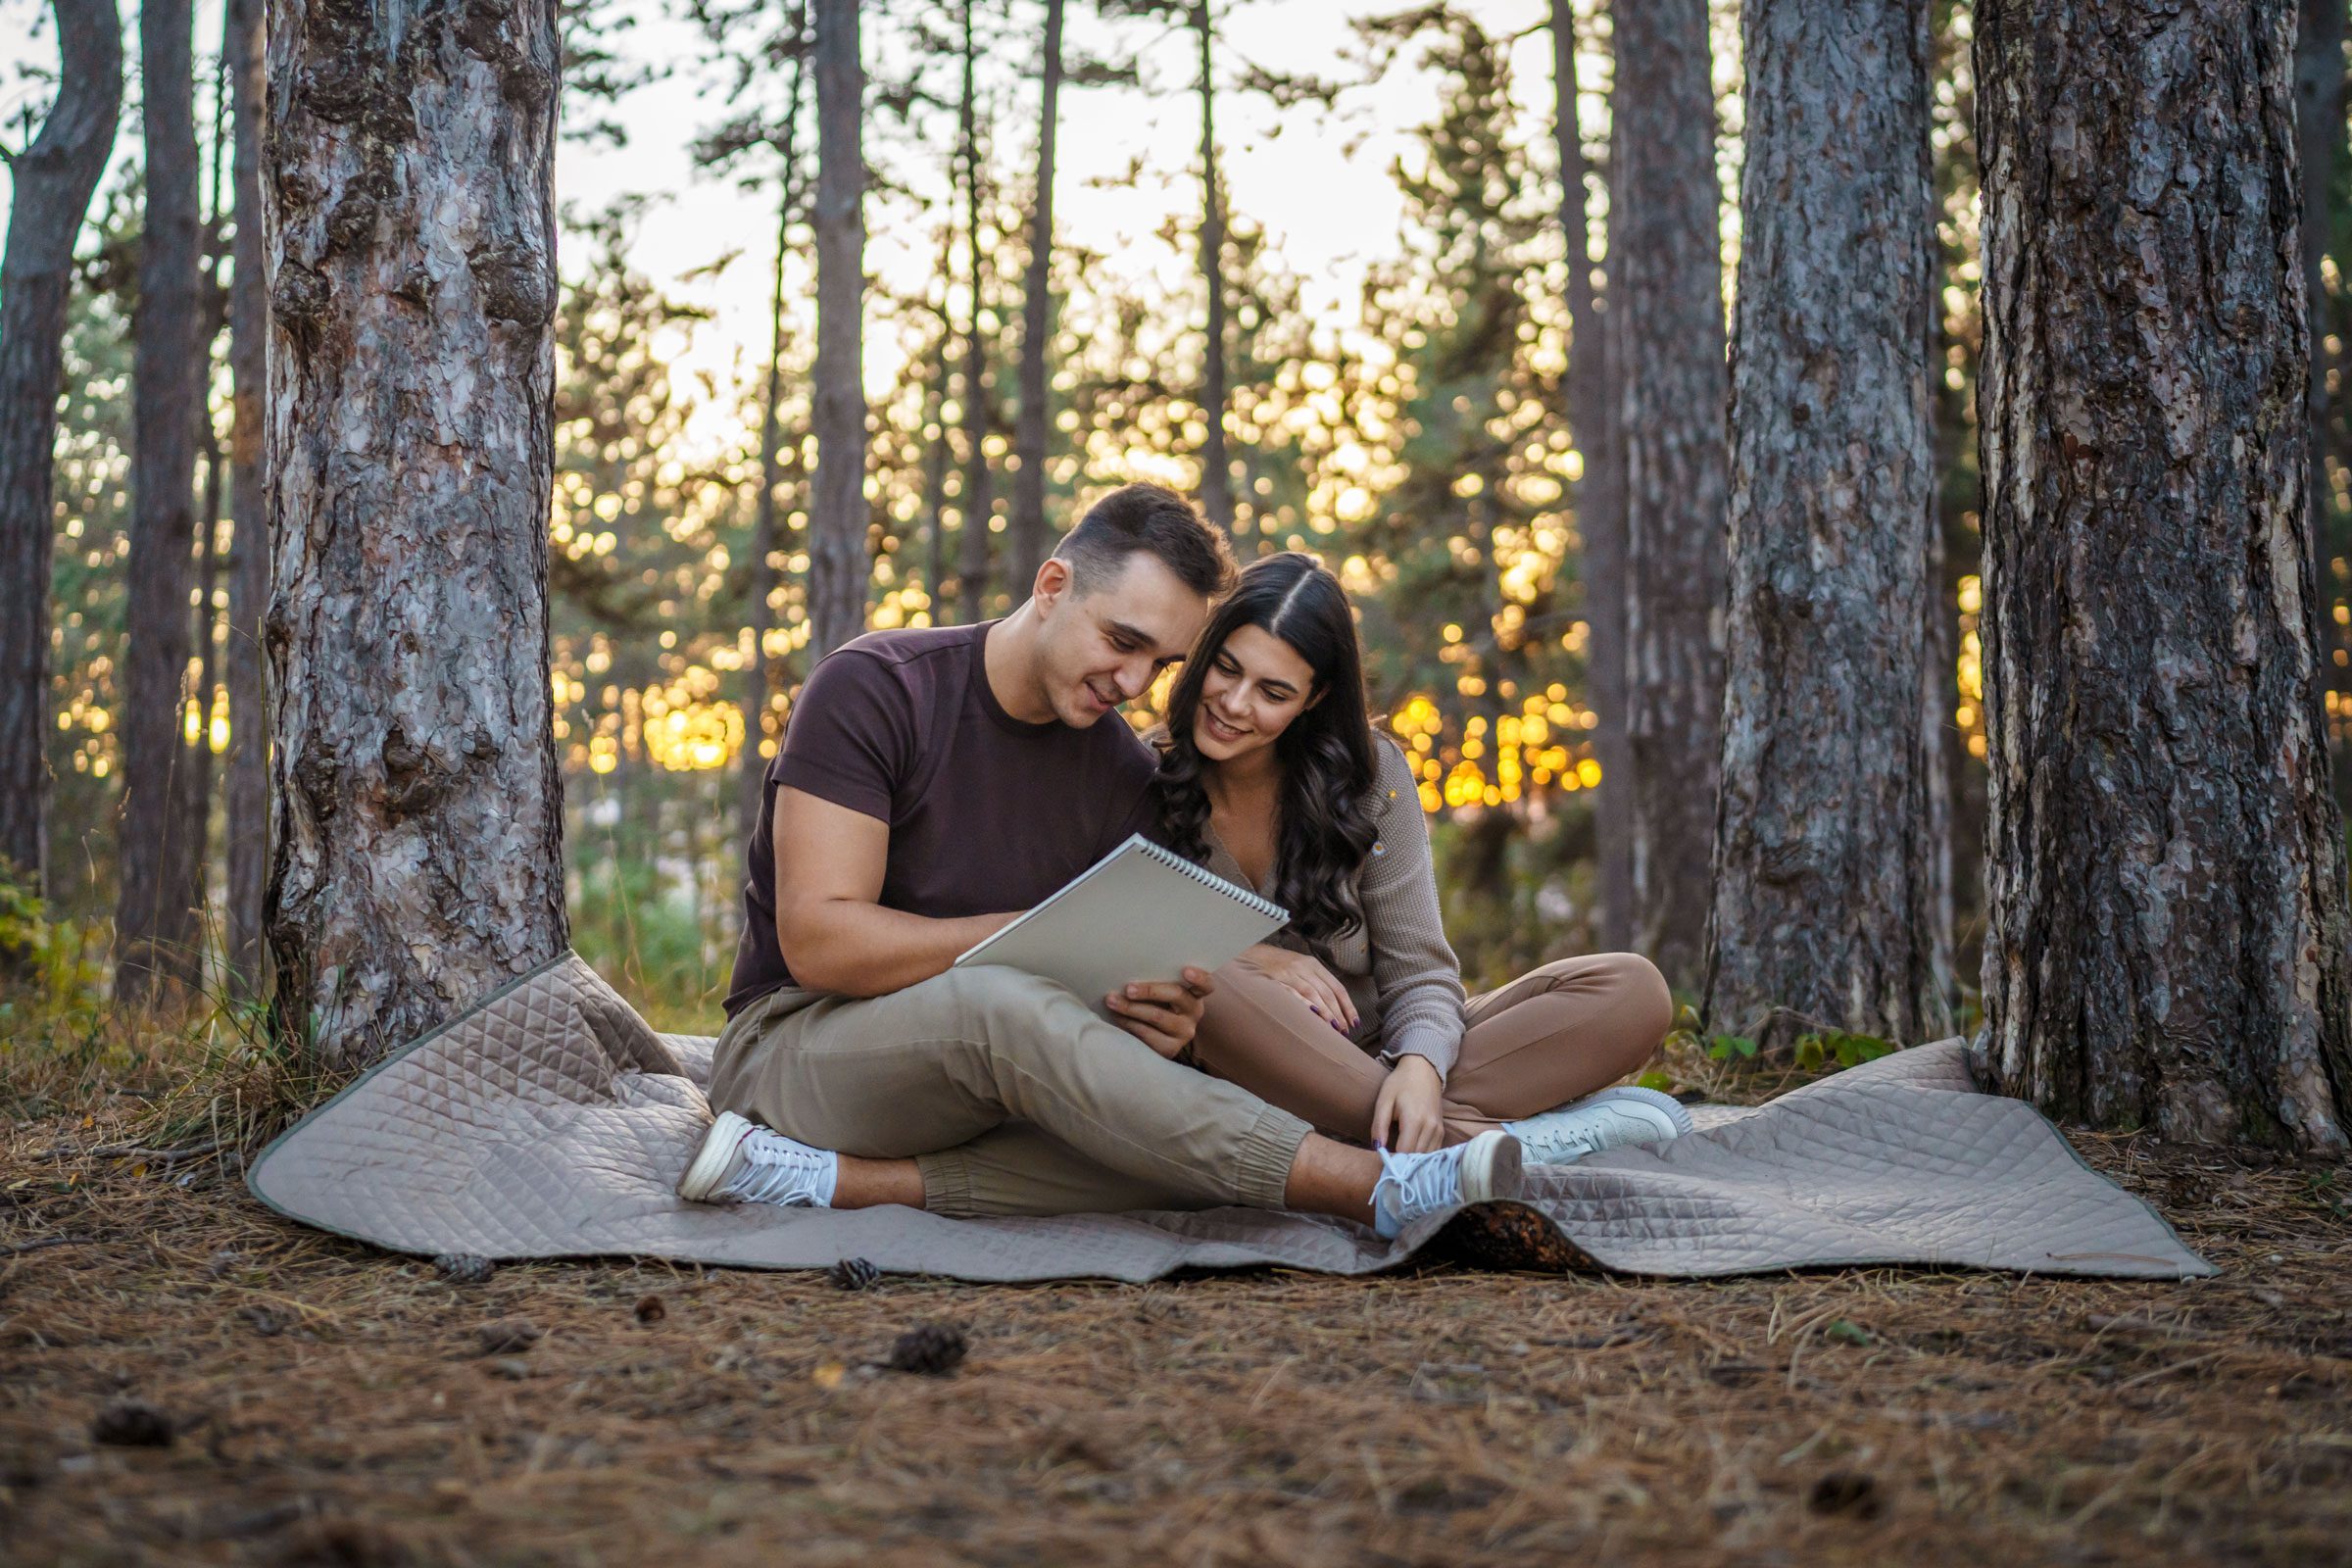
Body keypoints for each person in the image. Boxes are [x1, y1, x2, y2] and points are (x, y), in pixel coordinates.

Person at [678, 485, 1524, 1237]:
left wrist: (1165, 1026)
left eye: (1160, 663)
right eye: (1122, 640)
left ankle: (833, 1182)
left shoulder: (1124, 775)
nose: (1133, 681)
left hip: (988, 1079)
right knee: (1003, 1004)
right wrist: (1032, 937)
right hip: (799, 1050)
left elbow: (1113, 1007)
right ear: (1053, 587)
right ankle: (1375, 1187)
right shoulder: (878, 688)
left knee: (1160, 1127)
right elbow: (822, 944)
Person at [1152, 552, 1688, 1164]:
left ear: (1313, 698)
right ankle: (1478, 1147)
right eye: (1226, 669)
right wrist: (1253, 959)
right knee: (1207, 980)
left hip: (1378, 1049)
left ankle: (1393, 1132)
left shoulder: (1369, 777)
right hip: (1241, 1078)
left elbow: (1421, 973)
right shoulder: (1142, 776)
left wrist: (1421, 1068)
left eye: (1273, 692)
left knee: (1631, 991)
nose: (1234, 703)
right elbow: (1130, 956)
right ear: (1201, 652)